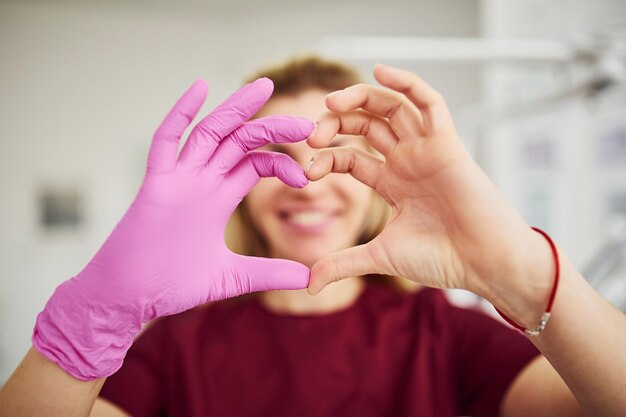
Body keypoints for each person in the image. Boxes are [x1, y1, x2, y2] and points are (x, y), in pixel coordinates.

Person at [0, 56, 624, 417]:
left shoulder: (443, 334)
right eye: (275, 154)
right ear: (239, 185)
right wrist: (94, 315)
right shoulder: (175, 348)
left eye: (335, 154)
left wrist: (522, 270)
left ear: (382, 181)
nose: (305, 182)